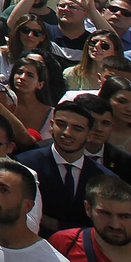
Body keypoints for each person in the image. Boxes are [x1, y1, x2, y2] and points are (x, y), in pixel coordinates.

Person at [18, 99, 108, 232]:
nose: (67, 132)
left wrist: (57, 225)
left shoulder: (103, 177)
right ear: (51, 125)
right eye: (61, 124)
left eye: (77, 129)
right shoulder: (25, 164)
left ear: (90, 135)